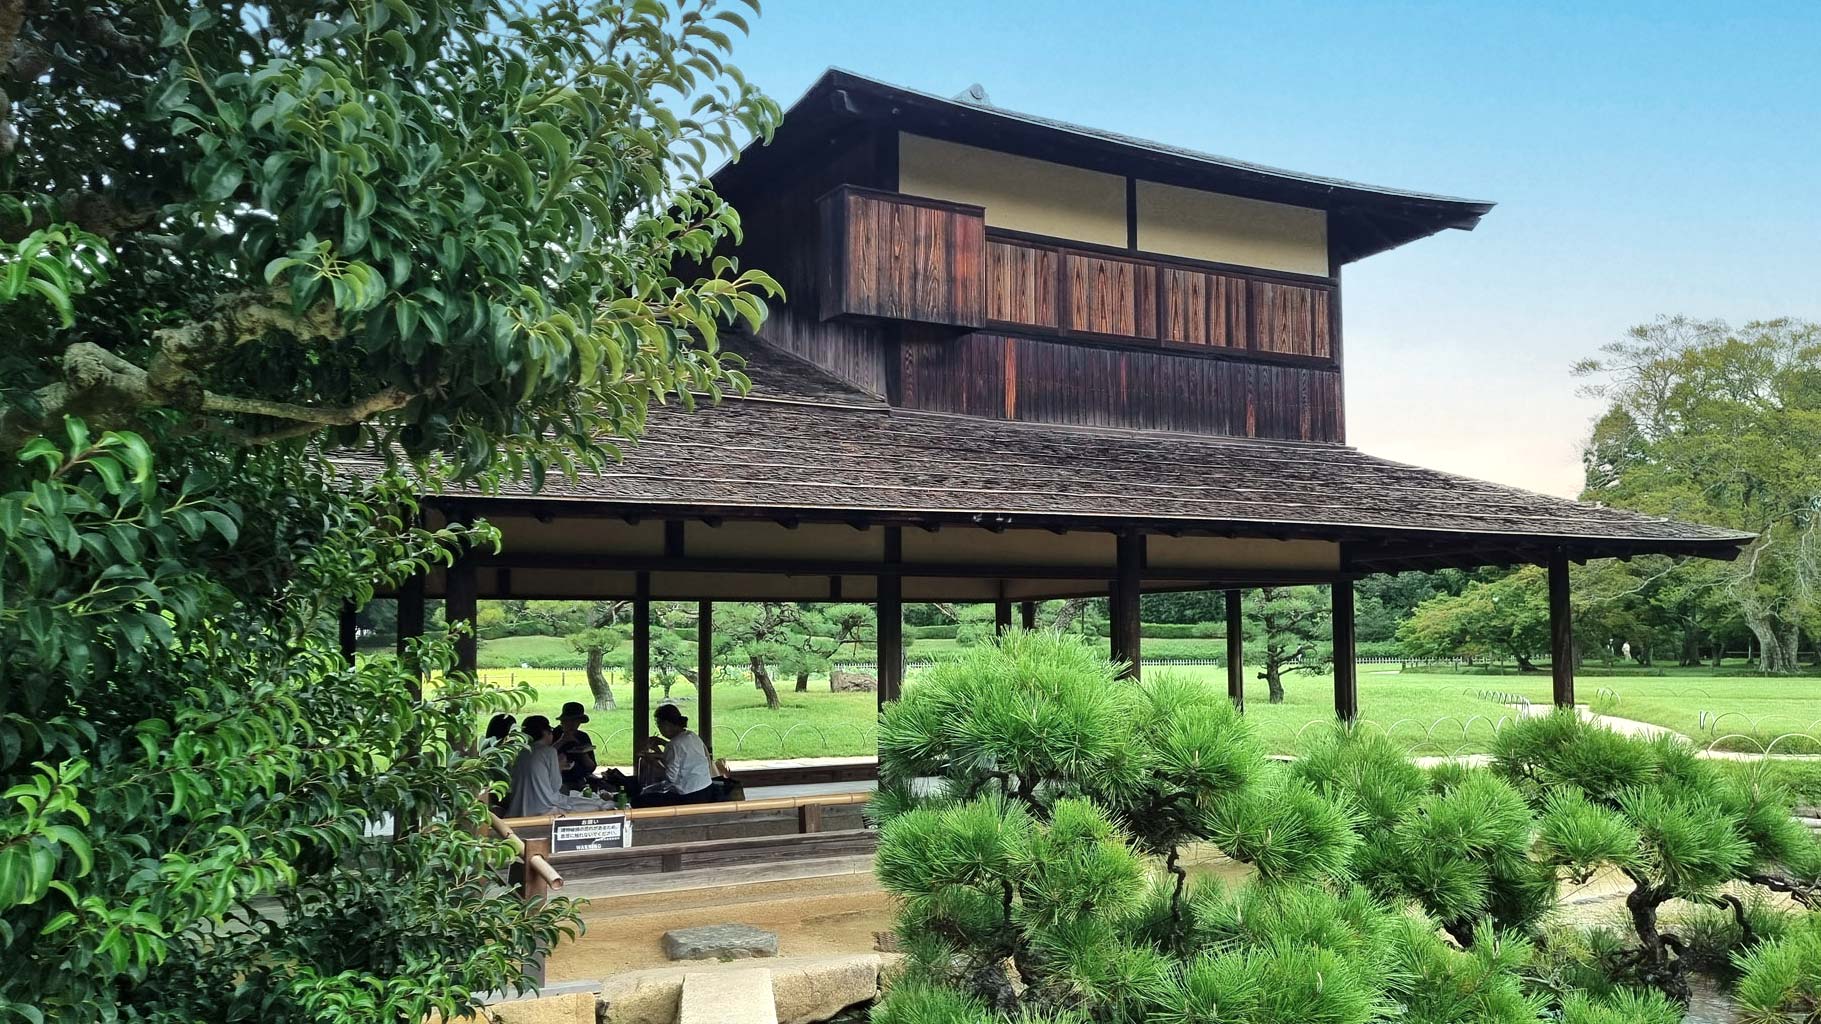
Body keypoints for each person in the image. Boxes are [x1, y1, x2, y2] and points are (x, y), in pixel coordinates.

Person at [505, 716, 612, 817]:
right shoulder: (548, 751)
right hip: (544, 808)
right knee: (595, 805)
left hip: (519, 808)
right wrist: (559, 767)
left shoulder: (521, 752)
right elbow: (556, 785)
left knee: (580, 799)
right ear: (545, 732)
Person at [635, 704, 715, 807]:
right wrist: (663, 744)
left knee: (639, 800)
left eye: (659, 726)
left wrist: (652, 762)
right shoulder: (691, 735)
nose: (660, 730)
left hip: (688, 796)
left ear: (667, 724)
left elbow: (670, 778)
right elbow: (682, 756)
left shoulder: (674, 745)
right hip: (706, 789)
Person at [554, 701, 598, 791]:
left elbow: (591, 767)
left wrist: (582, 752)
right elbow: (544, 755)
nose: (574, 724)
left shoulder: (582, 737)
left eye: (577, 721)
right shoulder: (553, 735)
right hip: (558, 780)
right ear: (563, 721)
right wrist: (562, 740)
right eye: (571, 720)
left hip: (580, 779)